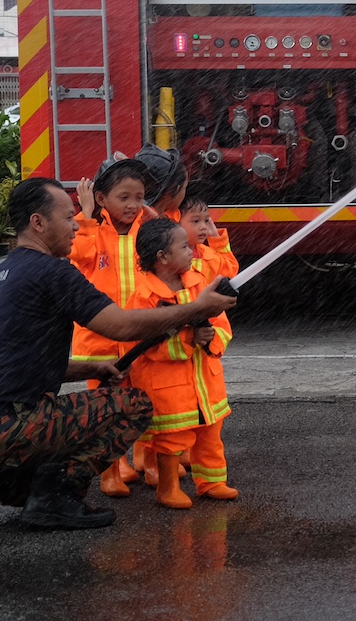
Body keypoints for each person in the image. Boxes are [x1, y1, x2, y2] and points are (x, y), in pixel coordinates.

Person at [0, 178, 236, 531]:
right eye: (68, 218)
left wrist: (91, 367)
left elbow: (17, 362)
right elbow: (121, 326)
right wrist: (195, 309)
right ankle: (56, 499)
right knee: (134, 405)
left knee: (23, 488)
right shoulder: (53, 273)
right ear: (38, 223)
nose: (77, 225)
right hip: (11, 423)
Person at [129, 218, 238, 509]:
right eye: (184, 247)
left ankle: (212, 482)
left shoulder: (199, 283)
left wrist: (211, 339)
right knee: (171, 442)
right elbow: (144, 346)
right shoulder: (144, 296)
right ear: (162, 257)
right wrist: (190, 341)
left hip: (206, 383)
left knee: (210, 436)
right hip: (169, 388)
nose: (192, 251)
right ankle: (168, 489)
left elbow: (222, 325)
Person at [71, 153, 157, 497]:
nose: (134, 205)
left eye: (139, 197)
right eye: (124, 197)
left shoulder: (146, 230)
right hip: (100, 340)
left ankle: (147, 461)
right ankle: (110, 471)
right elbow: (79, 256)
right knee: (105, 409)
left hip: (140, 337)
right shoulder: (86, 230)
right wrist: (88, 215)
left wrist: (153, 216)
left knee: (148, 402)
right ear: (101, 198)